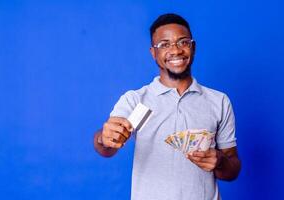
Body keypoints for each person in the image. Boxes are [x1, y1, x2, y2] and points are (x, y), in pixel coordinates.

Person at [94, 13, 241, 200]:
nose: (175, 50)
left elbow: (233, 168)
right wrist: (103, 139)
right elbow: (107, 149)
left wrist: (219, 161)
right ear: (153, 53)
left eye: (183, 42)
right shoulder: (136, 100)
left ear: (193, 47)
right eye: (164, 44)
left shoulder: (219, 101)